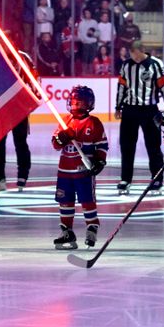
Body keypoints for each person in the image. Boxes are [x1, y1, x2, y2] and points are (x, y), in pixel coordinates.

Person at [51, 86, 108, 250]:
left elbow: (102, 146)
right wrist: (62, 137)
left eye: (80, 104)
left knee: (87, 201)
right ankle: (66, 231)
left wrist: (100, 161)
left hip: (84, 172)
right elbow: (55, 144)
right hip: (64, 173)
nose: (76, 107)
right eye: (74, 103)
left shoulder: (94, 123)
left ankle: (92, 227)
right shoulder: (64, 121)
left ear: (89, 104)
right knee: (65, 202)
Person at [115, 41, 164, 195]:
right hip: (129, 110)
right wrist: (118, 106)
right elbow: (121, 87)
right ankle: (125, 179)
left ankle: (157, 178)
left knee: (153, 146)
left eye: (136, 54)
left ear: (143, 51)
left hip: (149, 111)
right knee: (126, 146)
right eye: (131, 54)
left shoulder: (156, 65)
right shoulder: (126, 65)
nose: (134, 57)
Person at [0, 47, 36, 192]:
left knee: (20, 141)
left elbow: (35, 80)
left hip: (19, 107)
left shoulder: (23, 58)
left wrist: (30, 98)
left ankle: (22, 176)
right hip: (1, 106)